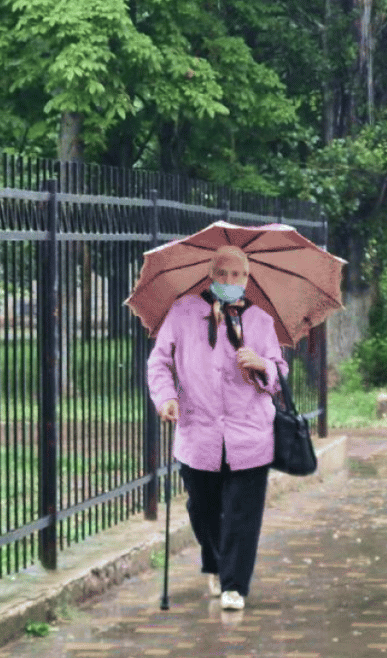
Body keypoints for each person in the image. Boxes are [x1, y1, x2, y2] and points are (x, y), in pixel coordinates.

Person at [147, 246, 289, 611]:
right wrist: (165, 398)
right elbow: (159, 361)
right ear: (211, 274)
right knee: (203, 508)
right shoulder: (182, 312)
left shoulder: (260, 322)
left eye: (237, 275)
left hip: (251, 434)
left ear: (247, 278)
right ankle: (214, 562)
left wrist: (263, 366)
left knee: (243, 514)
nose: (229, 281)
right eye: (222, 273)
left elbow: (280, 373)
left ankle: (234, 585)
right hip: (198, 432)